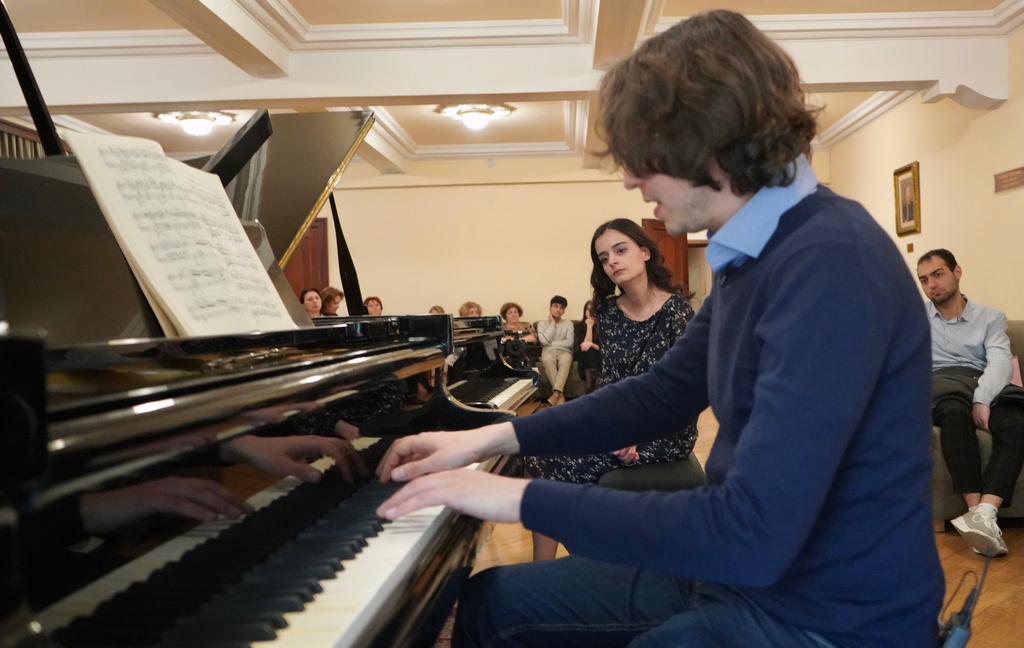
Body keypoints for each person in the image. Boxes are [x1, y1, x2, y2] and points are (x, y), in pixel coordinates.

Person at [374, 10, 943, 648]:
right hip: (742, 578)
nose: (628, 178)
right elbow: (659, 393)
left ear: (709, 142)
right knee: (494, 602)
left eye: (643, 156)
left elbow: (750, 530)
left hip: (824, 617)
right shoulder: (752, 253)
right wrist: (484, 439)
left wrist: (518, 498)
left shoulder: (830, 261)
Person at [526, 218, 698, 561]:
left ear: (645, 252)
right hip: (619, 425)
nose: (612, 261)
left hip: (665, 431)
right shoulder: (608, 312)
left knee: (551, 470)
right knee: (535, 453)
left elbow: (683, 393)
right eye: (604, 258)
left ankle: (585, 564)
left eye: (620, 250)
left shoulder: (678, 312)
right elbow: (612, 384)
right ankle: (566, 565)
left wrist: (635, 433)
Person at [917, 248, 1024, 556]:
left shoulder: (990, 317)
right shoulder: (915, 319)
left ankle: (984, 514)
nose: (931, 285)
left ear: (957, 272)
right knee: (953, 411)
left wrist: (982, 399)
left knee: (1016, 421)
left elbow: (1000, 362)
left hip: (982, 381)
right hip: (942, 384)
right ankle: (976, 511)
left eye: (938, 274)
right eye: (924, 280)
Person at [535, 295, 574, 406]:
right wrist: (552, 324)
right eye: (556, 306)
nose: (558, 309)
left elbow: (569, 342)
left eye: (561, 308)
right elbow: (543, 342)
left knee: (566, 361)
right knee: (547, 360)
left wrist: (551, 343)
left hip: (565, 351)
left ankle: (556, 394)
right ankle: (560, 395)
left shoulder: (568, 324)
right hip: (548, 352)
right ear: (550, 308)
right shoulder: (541, 324)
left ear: (564, 311)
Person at [574, 300, 600, 393]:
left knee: (590, 351)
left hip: (599, 357)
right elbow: (583, 347)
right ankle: (597, 378)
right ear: (584, 311)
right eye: (588, 309)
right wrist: (589, 326)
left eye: (593, 309)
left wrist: (591, 344)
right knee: (587, 352)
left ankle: (589, 389)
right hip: (583, 357)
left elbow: (604, 348)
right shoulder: (578, 326)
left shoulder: (602, 326)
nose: (590, 312)